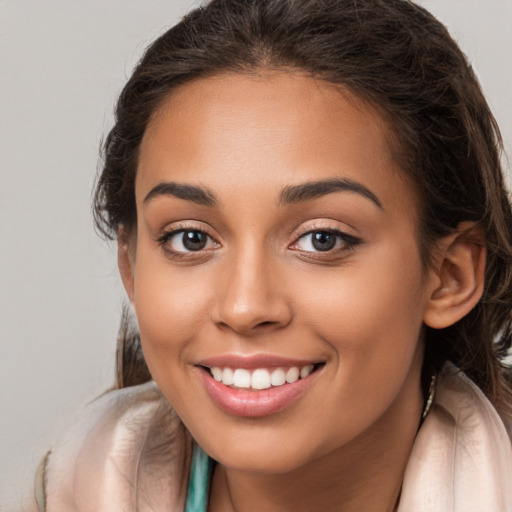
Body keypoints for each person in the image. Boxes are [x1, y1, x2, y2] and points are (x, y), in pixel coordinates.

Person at [34, 0, 512, 510]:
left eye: (322, 239)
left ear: (449, 275)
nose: (244, 307)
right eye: (190, 238)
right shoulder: (72, 491)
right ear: (131, 267)